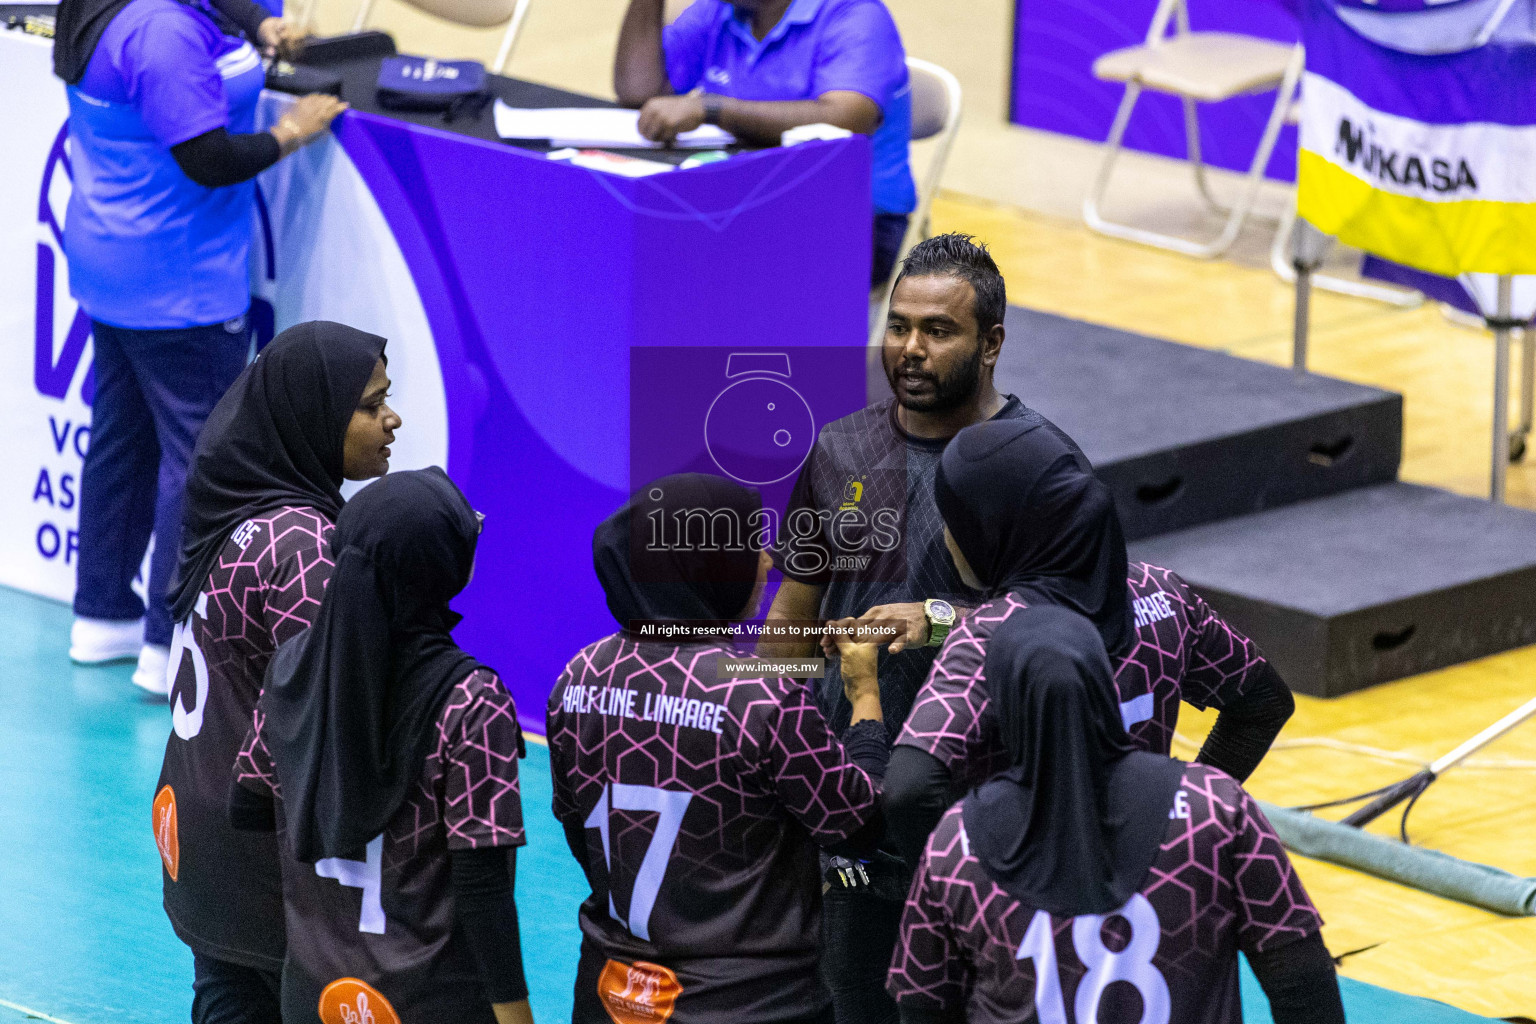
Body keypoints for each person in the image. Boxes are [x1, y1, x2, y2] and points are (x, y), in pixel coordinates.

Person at [761, 232, 1080, 1024]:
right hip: (850, 794)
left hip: (980, 805)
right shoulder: (840, 447)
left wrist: (941, 619)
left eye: (938, 331)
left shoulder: (1043, 467)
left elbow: (1075, 633)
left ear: (992, 343)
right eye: (898, 325)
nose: (909, 347)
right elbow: (795, 611)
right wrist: (763, 727)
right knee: (851, 997)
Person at [54, 0, 347, 692]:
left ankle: (102, 617)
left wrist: (257, 25)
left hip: (114, 264)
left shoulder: (123, 8)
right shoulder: (162, 33)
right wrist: (288, 134)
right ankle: (169, 642)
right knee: (199, 461)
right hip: (179, 286)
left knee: (121, 443)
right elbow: (208, 157)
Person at [887, 606, 1345, 1024]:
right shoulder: (1215, 808)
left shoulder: (954, 844)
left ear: (1001, 704)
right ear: (1105, 686)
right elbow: (1304, 987)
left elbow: (924, 1011)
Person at [547, 474, 888, 1024]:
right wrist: (865, 696)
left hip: (607, 997)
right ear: (708, 564)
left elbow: (576, 827)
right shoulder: (762, 696)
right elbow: (860, 826)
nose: (769, 562)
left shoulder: (576, 676)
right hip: (751, 1007)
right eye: (752, 544)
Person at [886, 417, 1297, 868]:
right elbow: (1264, 701)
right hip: (1150, 889)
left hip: (1029, 913)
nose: (946, 539)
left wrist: (960, 887)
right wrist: (1179, 815)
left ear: (993, 528)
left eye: (954, 522)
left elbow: (908, 791)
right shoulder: (1163, 595)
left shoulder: (988, 640)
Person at [152, 321, 397, 1024]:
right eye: (369, 404)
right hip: (260, 855)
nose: (391, 418)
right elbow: (323, 711)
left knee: (225, 998)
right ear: (315, 415)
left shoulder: (240, 499)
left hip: (197, 825)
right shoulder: (306, 543)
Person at [232, 469, 534, 1024]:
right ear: (442, 568)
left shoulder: (293, 669)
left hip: (313, 995)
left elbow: (248, 805)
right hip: (428, 1002)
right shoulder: (471, 700)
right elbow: (483, 887)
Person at [614, 0, 916, 285]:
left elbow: (846, 118)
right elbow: (638, 91)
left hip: (855, 221)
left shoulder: (856, 15)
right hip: (748, 200)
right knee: (632, 235)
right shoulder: (720, 10)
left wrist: (713, 109)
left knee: (683, 259)